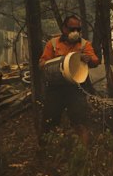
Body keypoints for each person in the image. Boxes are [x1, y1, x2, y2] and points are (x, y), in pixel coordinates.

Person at [39, 15, 100, 147]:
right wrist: (53, 64)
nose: (75, 32)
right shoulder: (53, 44)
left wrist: (88, 59)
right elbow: (42, 63)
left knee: (80, 122)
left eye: (78, 29)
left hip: (76, 89)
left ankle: (83, 154)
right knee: (49, 121)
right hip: (56, 89)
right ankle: (46, 152)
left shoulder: (84, 44)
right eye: (72, 29)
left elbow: (95, 60)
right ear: (64, 28)